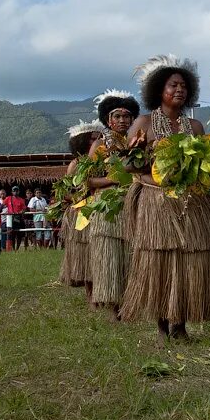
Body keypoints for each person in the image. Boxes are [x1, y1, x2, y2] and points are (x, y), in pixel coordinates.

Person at [120, 55, 210, 343]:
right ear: (160, 90)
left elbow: (206, 167)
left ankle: (180, 326)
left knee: (187, 262)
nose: (179, 90)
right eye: (173, 85)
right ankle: (160, 327)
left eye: (183, 86)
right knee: (159, 262)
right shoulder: (144, 123)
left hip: (190, 203)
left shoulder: (194, 127)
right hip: (156, 201)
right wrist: (141, 152)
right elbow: (128, 166)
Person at [84, 90, 140, 320]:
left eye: (127, 116)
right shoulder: (99, 145)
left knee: (132, 254)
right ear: (109, 119)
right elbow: (87, 179)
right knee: (110, 257)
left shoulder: (138, 142)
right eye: (117, 116)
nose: (123, 121)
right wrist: (112, 179)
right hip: (107, 207)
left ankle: (131, 303)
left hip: (133, 203)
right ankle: (113, 308)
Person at [58, 120, 103, 289]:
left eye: (99, 138)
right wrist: (83, 197)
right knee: (85, 257)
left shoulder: (101, 161)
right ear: (82, 140)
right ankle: (91, 294)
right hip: (81, 214)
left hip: (96, 209)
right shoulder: (76, 164)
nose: (97, 142)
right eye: (93, 139)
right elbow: (66, 193)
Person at [2, 186, 28, 250]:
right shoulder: (8, 198)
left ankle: (17, 248)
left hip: (19, 218)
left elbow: (24, 209)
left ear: (19, 191)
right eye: (14, 191)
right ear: (12, 192)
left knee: (19, 234)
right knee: (12, 234)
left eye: (17, 191)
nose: (15, 192)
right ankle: (13, 249)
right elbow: (2, 205)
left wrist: (22, 211)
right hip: (11, 219)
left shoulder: (21, 200)